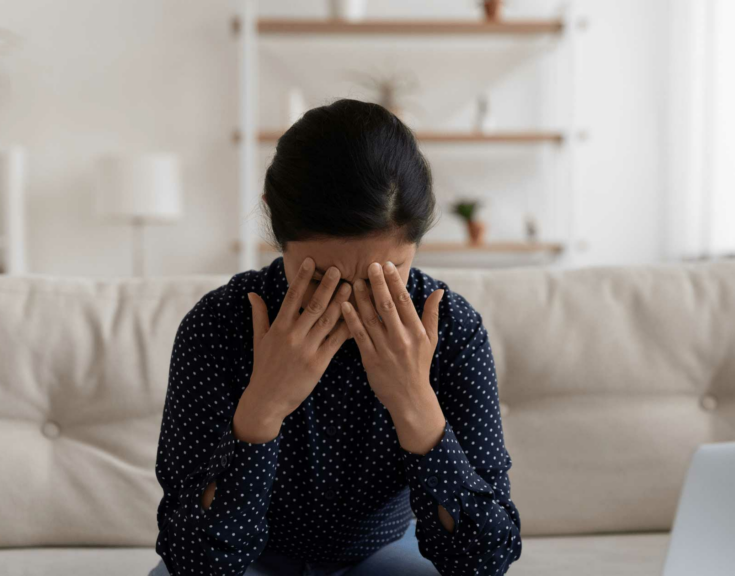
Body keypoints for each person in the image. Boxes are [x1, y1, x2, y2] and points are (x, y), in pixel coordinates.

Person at [150, 99, 521, 576]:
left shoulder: (449, 329)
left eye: (384, 278)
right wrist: (262, 406)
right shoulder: (218, 326)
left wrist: (414, 402)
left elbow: (484, 559)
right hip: (252, 558)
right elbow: (193, 561)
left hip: (385, 552)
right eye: (322, 277)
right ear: (275, 225)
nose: (349, 306)